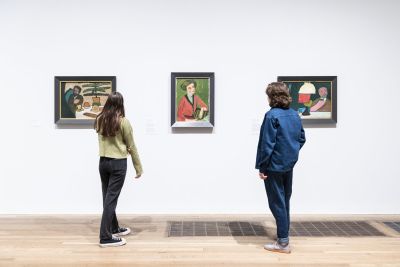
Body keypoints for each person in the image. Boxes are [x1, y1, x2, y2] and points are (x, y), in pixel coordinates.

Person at [255, 82, 306, 254]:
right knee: (284, 201)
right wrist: (291, 154)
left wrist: (262, 166)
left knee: (277, 203)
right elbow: (301, 139)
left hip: (274, 166)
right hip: (288, 165)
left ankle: (283, 243)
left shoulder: (271, 116)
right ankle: (283, 237)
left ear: (272, 97)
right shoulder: (294, 114)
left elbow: (267, 145)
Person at [94, 92, 143, 248]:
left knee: (107, 197)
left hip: (103, 163)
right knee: (111, 199)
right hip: (118, 164)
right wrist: (138, 167)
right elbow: (131, 145)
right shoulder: (123, 122)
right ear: (121, 104)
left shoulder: (99, 119)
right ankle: (105, 237)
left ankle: (113, 228)